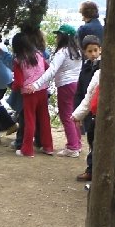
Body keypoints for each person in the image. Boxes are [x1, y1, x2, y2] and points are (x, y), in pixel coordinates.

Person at [24, 24, 82, 157]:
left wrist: (36, 84)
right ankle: (77, 143)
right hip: (76, 84)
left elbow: (52, 70)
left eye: (58, 35)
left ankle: (72, 147)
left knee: (66, 115)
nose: (56, 37)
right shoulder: (77, 51)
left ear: (63, 37)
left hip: (65, 85)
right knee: (75, 114)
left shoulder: (62, 52)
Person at [11, 33, 54, 158]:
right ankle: (48, 147)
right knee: (44, 119)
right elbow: (48, 69)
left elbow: (18, 82)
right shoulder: (39, 55)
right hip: (43, 90)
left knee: (30, 120)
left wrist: (14, 87)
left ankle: (27, 150)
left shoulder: (19, 61)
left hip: (29, 93)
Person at [73, 35, 102, 183]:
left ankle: (95, 171)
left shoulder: (102, 68)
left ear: (100, 50)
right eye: (89, 51)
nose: (93, 54)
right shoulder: (85, 67)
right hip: (87, 109)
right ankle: (91, 169)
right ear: (84, 52)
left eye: (95, 50)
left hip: (98, 109)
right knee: (91, 140)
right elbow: (80, 92)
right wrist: (77, 113)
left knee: (99, 142)